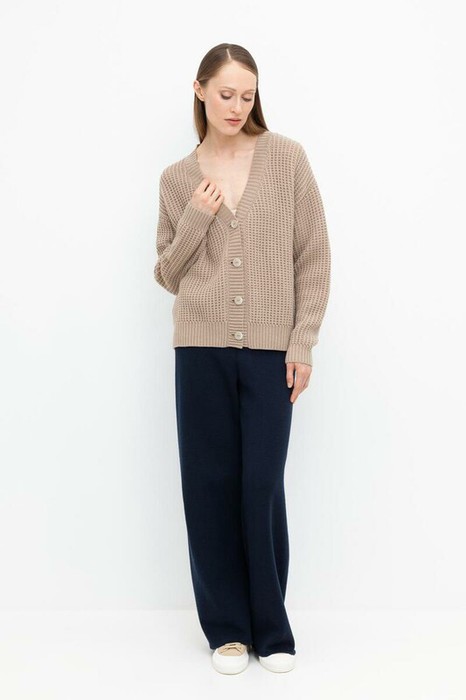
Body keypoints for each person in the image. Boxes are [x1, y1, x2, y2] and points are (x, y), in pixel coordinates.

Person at [154, 43, 331, 675]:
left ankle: (271, 626)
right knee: (209, 486)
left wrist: (302, 341)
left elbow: (313, 254)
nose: (236, 106)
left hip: (269, 352)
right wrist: (197, 218)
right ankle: (226, 630)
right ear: (199, 90)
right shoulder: (178, 178)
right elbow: (167, 274)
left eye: (247, 95)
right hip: (199, 351)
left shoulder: (286, 158)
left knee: (261, 483)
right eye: (226, 94)